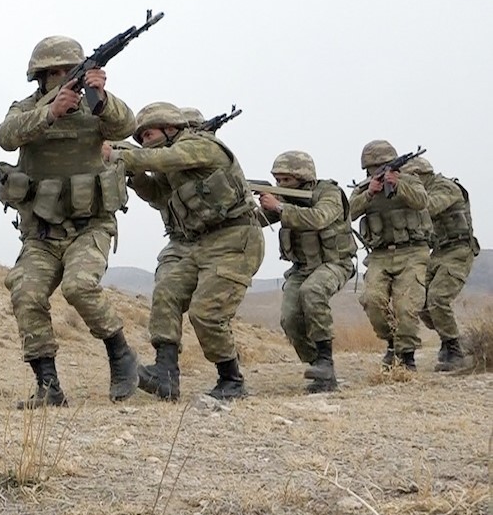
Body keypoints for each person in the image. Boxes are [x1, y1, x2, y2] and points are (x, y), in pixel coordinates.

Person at [0, 36, 140, 409]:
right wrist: (50, 113)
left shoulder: (96, 109)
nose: (61, 78)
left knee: (79, 285)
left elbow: (127, 125)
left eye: (67, 71)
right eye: (52, 73)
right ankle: (48, 386)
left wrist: (102, 98)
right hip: (42, 233)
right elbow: (5, 137)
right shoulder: (28, 109)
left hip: (90, 226)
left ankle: (120, 353)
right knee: (25, 293)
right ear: (39, 78)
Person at [106, 102, 264, 401]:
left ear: (170, 128)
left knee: (206, 312)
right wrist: (134, 174)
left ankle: (231, 379)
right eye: (140, 140)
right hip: (192, 243)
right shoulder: (171, 170)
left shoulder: (201, 146)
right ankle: (165, 374)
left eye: (148, 135)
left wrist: (120, 154)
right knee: (166, 291)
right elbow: (159, 197)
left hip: (234, 238)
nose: (145, 143)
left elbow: (167, 158)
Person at [257, 151, 356, 392]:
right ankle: (320, 370)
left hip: (334, 262)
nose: (281, 185)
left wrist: (279, 206)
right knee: (290, 318)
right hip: (301, 268)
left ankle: (325, 360)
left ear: (303, 177)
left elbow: (319, 217)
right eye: (277, 181)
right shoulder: (285, 198)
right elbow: (258, 220)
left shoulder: (328, 193)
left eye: (286, 181)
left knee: (313, 292)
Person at [348, 140, 431, 370]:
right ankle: (393, 343)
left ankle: (406, 356)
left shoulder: (410, 181)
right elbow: (347, 214)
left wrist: (399, 185)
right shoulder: (365, 188)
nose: (379, 171)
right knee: (372, 300)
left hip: (413, 251)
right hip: (380, 255)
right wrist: (369, 194)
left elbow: (422, 201)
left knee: (407, 305)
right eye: (374, 167)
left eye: (383, 166)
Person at [403, 157, 479, 371]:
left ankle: (454, 351)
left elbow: (430, 206)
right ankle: (450, 341)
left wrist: (407, 194)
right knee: (421, 301)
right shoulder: (424, 191)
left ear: (418, 176)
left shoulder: (446, 186)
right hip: (437, 252)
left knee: (437, 298)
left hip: (458, 250)